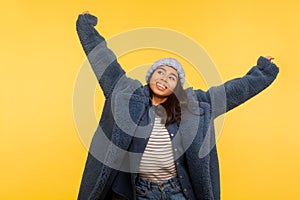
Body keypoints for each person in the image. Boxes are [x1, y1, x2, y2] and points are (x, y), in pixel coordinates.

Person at [75, 11, 279, 200]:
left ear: (177, 87)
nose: (164, 78)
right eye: (160, 72)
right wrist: (86, 27)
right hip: (140, 191)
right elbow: (104, 63)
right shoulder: (127, 95)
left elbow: (233, 91)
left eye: (172, 77)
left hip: (177, 191)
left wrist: (263, 72)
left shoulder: (194, 105)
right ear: (151, 75)